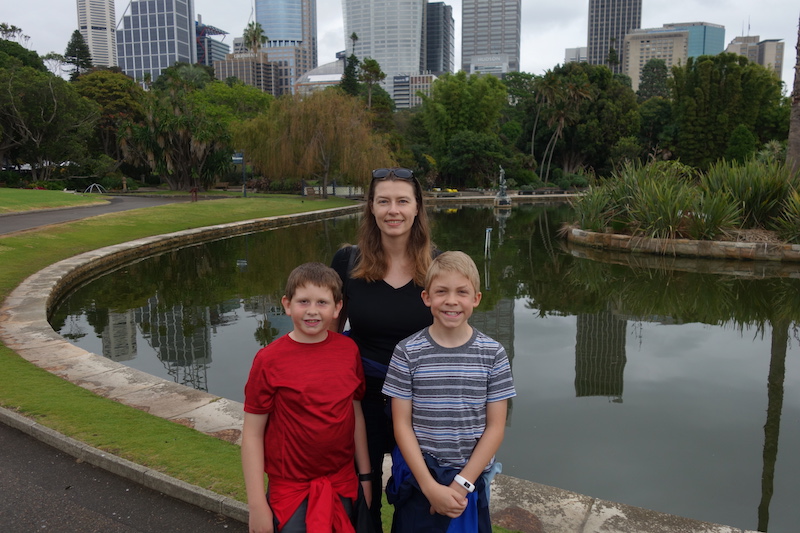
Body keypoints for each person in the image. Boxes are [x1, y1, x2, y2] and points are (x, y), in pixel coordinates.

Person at [331, 167, 436, 531]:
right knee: (364, 499)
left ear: (417, 207)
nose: (393, 210)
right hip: (362, 400)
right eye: (384, 201)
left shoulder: (439, 265)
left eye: (402, 201)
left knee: (418, 499)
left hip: (423, 401)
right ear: (371, 207)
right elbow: (329, 338)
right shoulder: (348, 262)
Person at [382, 251, 517, 532]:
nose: (451, 300)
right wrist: (429, 487)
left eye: (462, 292)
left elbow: (495, 427)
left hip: (469, 479)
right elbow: (401, 424)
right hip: (420, 476)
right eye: (441, 291)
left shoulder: (493, 354)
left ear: (476, 298)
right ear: (426, 297)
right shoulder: (407, 352)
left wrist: (461, 484)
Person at [241, 262, 372, 533]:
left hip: (343, 484)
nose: (312, 310)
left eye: (322, 302)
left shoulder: (348, 351)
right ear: (287, 305)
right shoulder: (268, 360)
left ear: (337, 308)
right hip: (291, 492)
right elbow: (252, 433)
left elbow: (355, 413)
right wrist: (256, 505)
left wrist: (366, 477)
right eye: (303, 301)